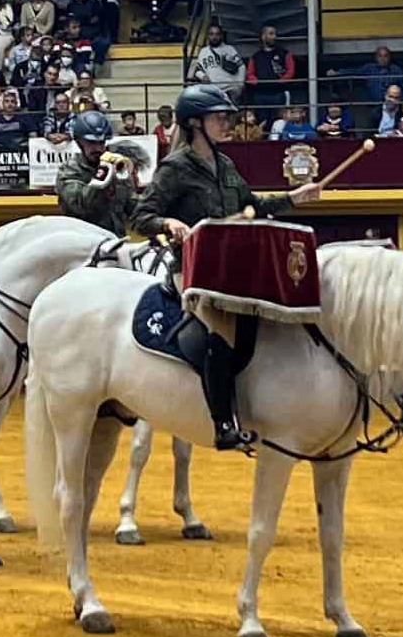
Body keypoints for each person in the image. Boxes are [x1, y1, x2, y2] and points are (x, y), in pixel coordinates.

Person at [130, 85, 319, 452]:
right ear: (195, 123)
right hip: (192, 267)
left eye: (228, 116)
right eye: (220, 117)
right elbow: (141, 216)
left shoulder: (226, 163)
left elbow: (252, 205)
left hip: (230, 268)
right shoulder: (175, 167)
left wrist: (293, 199)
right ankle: (222, 423)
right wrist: (168, 223)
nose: (227, 123)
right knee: (221, 332)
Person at [54, 107, 129, 234]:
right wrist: (102, 177)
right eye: (91, 143)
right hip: (82, 243)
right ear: (79, 142)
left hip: (114, 241)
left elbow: (132, 204)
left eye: (101, 143)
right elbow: (80, 206)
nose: (98, 148)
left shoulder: (113, 166)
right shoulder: (68, 171)